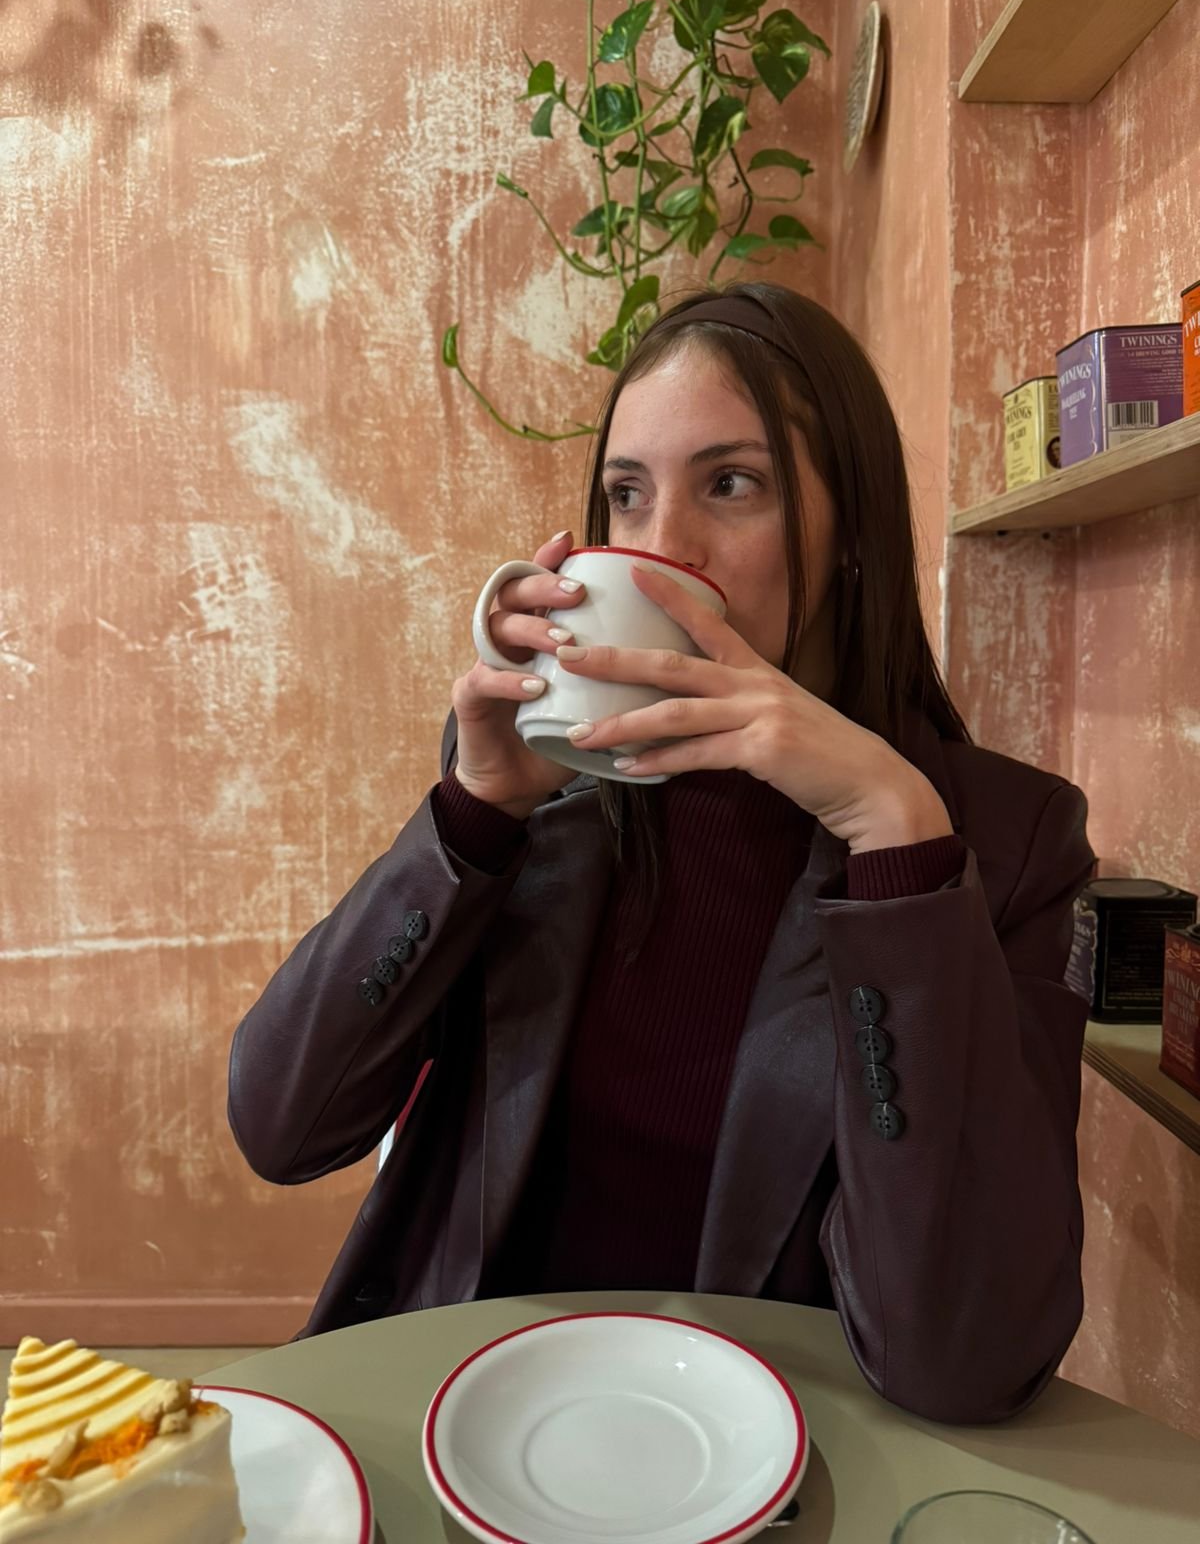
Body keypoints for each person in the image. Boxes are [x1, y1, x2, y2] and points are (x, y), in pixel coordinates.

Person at [228, 282, 1095, 1426]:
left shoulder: (995, 841)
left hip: (781, 1441)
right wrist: (474, 812)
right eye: (626, 495)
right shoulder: (546, 794)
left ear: (851, 534)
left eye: (731, 484)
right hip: (480, 1404)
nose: (657, 549)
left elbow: (965, 1357)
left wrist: (892, 836)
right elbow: (282, 1128)